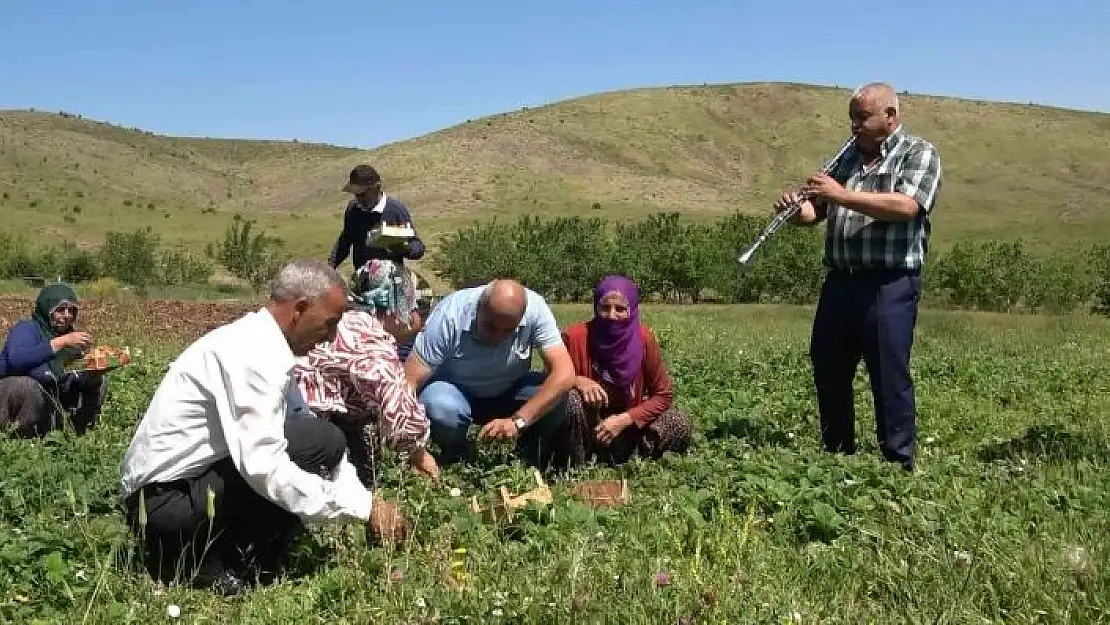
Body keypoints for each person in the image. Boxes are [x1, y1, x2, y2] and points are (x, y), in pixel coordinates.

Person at [118, 260, 409, 596]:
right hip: (164, 506)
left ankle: (246, 552)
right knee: (305, 446)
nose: (330, 339)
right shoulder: (251, 355)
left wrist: (365, 500)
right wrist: (362, 509)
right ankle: (197, 561)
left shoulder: (267, 345)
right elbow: (263, 467)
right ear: (300, 309)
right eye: (329, 325)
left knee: (322, 439)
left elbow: (307, 428)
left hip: (189, 490)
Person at [773, 81, 943, 471]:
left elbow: (906, 206)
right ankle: (836, 452)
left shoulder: (918, 152)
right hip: (840, 281)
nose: (854, 125)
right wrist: (798, 211)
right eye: (852, 117)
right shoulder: (846, 158)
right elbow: (816, 214)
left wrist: (839, 194)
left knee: (888, 371)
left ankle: (897, 462)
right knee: (828, 363)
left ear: (891, 116)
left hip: (889, 282)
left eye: (863, 117)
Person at [291, 260, 440, 490]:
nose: (422, 323)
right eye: (421, 311)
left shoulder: (342, 323)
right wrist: (418, 453)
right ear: (399, 308)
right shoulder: (367, 335)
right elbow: (395, 399)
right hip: (308, 434)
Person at [403, 279, 576, 470]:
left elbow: (564, 373)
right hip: (456, 391)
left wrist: (518, 421)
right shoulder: (450, 315)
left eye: (509, 330)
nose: (498, 337)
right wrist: (411, 446)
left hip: (512, 389)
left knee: (558, 394)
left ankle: (531, 459)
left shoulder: (536, 309)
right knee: (438, 404)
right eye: (491, 327)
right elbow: (409, 382)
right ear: (479, 308)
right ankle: (457, 459)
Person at [561, 276, 693, 466]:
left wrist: (626, 419)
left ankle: (631, 461)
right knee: (571, 400)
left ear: (632, 310)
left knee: (678, 422)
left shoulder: (643, 339)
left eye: (621, 309)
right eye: (605, 308)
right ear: (595, 308)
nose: (612, 315)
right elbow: (551, 380)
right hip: (586, 429)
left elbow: (663, 394)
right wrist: (577, 381)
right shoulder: (575, 337)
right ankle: (577, 464)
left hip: (628, 428)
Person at [329, 164, 427, 357]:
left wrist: (403, 247)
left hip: (392, 290)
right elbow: (345, 240)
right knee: (363, 339)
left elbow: (418, 248)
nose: (358, 199)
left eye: (362, 194)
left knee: (391, 340)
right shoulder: (352, 209)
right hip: (362, 285)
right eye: (355, 194)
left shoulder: (395, 209)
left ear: (376, 188)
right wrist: (328, 266)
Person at [0, 283, 106, 436]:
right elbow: (17, 360)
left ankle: (75, 431)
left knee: (99, 381)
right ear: (46, 309)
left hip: (46, 403)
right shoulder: (27, 328)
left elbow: (60, 382)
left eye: (72, 310)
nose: (67, 315)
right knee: (26, 385)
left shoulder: (69, 340)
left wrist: (92, 376)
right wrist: (60, 343)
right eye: (60, 309)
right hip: (8, 398)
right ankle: (20, 436)